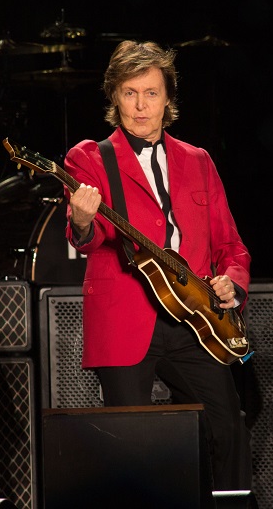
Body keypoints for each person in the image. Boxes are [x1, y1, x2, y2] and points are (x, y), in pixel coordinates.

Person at [65, 40, 252, 492]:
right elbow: (85, 240)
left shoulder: (198, 160)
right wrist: (82, 220)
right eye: (130, 93)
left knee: (226, 428)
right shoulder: (88, 157)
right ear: (114, 96)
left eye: (151, 92)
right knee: (131, 444)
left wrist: (232, 286)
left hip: (197, 319)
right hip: (127, 318)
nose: (141, 104)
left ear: (168, 98)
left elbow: (231, 246)